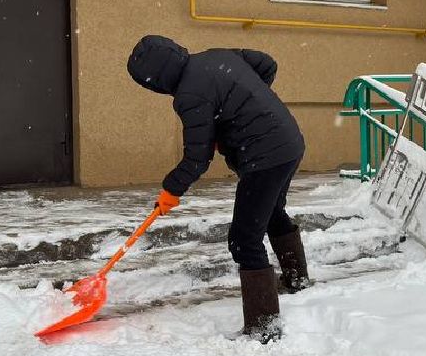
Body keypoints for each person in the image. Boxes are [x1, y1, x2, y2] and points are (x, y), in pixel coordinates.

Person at [126, 35, 308, 340]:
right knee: (273, 211)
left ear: (156, 79)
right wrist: (252, 106)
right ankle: (296, 279)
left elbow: (197, 158)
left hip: (265, 157)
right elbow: (267, 64)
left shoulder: (189, 94)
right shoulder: (218, 54)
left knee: (244, 240)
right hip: (289, 142)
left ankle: (264, 327)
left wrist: (172, 190)